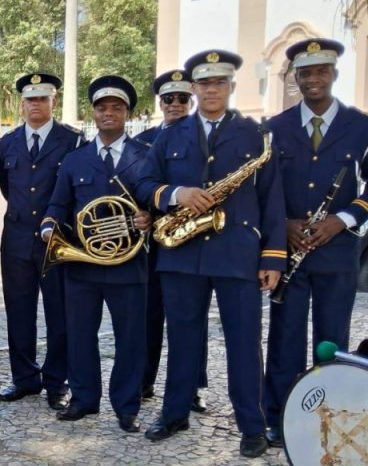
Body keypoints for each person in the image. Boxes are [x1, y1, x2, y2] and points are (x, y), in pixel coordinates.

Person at [136, 50, 284, 458]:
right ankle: (174, 412)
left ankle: (252, 425)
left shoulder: (256, 135)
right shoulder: (170, 134)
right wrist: (176, 194)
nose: (212, 90)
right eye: (204, 84)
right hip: (182, 253)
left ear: (231, 86)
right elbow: (144, 181)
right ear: (194, 88)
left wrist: (272, 257)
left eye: (220, 82)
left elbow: (272, 200)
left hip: (238, 254)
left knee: (243, 343)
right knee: (182, 338)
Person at [264, 38, 368, 448]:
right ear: (295, 78)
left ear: (334, 74)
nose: (313, 79)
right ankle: (279, 417)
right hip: (291, 253)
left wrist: (341, 221)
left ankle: (330, 419)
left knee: (332, 340)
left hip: (337, 251)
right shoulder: (275, 127)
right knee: (284, 339)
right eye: (305, 73)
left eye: (321, 71)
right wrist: (283, 225)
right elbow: (266, 189)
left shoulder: (362, 127)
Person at [41, 76, 151, 433]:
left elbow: (158, 204)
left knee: (130, 338)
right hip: (83, 265)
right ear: (94, 113)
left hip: (128, 266)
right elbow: (57, 204)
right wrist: (48, 229)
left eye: (116, 108)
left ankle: (126, 405)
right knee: (80, 335)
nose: (108, 114)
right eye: (102, 108)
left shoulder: (146, 158)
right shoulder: (75, 160)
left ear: (126, 113)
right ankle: (84, 399)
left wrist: (149, 217)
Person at [0, 73, 81, 410]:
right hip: (16, 238)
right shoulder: (8, 142)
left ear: (53, 102)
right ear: (22, 104)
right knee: (18, 312)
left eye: (43, 99)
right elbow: (6, 185)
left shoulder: (72, 141)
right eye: (30, 99)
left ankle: (55, 382)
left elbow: (75, 189)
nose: (36, 105)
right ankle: (24, 379)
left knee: (58, 313)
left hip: (56, 240)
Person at [137, 70, 210, 413]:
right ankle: (145, 380)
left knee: (192, 316)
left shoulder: (203, 137)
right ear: (160, 102)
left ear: (191, 100)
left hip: (193, 240)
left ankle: (192, 386)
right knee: (149, 314)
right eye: (169, 99)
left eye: (183, 98)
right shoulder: (144, 140)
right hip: (152, 242)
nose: (176, 105)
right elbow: (136, 185)